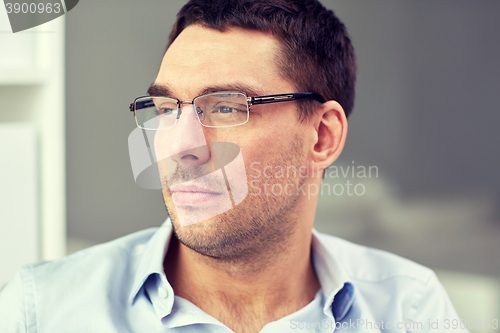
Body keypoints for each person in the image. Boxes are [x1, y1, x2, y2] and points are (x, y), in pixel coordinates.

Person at [0, 0, 467, 332]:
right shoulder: (40, 311)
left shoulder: (411, 307)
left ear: (322, 136)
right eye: (166, 110)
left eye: (225, 108)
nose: (180, 147)